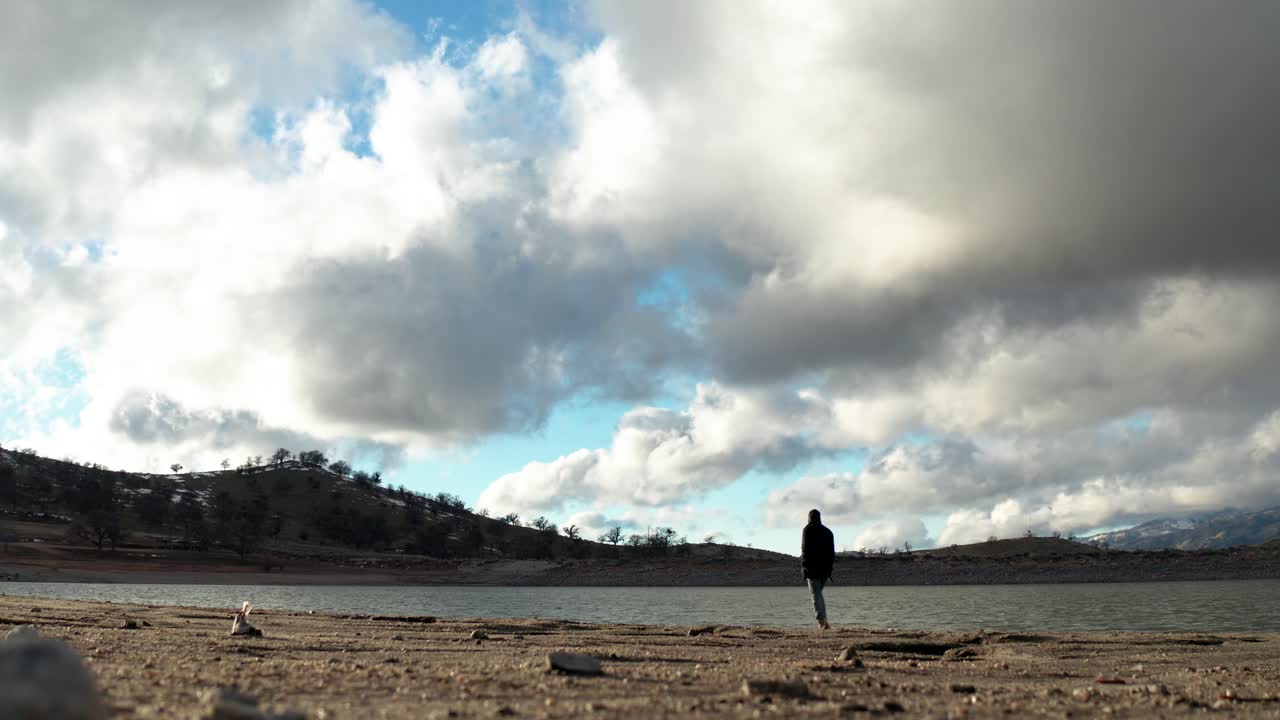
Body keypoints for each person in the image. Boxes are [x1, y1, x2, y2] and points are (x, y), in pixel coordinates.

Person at [801, 508, 835, 630]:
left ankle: (822, 623)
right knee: (818, 594)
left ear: (809, 518)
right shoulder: (828, 532)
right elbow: (832, 554)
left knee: (815, 595)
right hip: (825, 570)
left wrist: (804, 567)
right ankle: (824, 621)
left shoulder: (807, 529)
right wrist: (830, 571)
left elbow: (805, 550)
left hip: (812, 568)